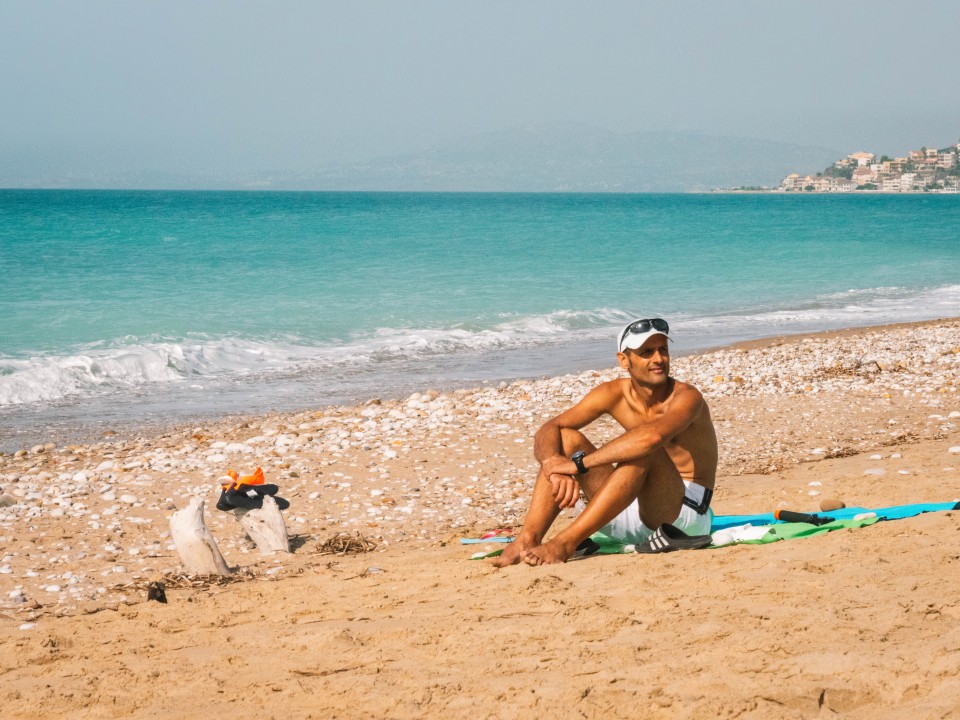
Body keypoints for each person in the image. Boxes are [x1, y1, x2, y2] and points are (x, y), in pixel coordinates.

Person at [492, 318, 718, 566]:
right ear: (624, 360)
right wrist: (552, 464)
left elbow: (651, 438)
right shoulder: (612, 393)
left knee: (647, 448)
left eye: (662, 349)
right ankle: (527, 539)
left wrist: (577, 466)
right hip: (622, 510)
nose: (658, 359)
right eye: (646, 352)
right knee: (566, 438)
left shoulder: (687, 397)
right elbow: (550, 428)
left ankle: (565, 542)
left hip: (681, 518)